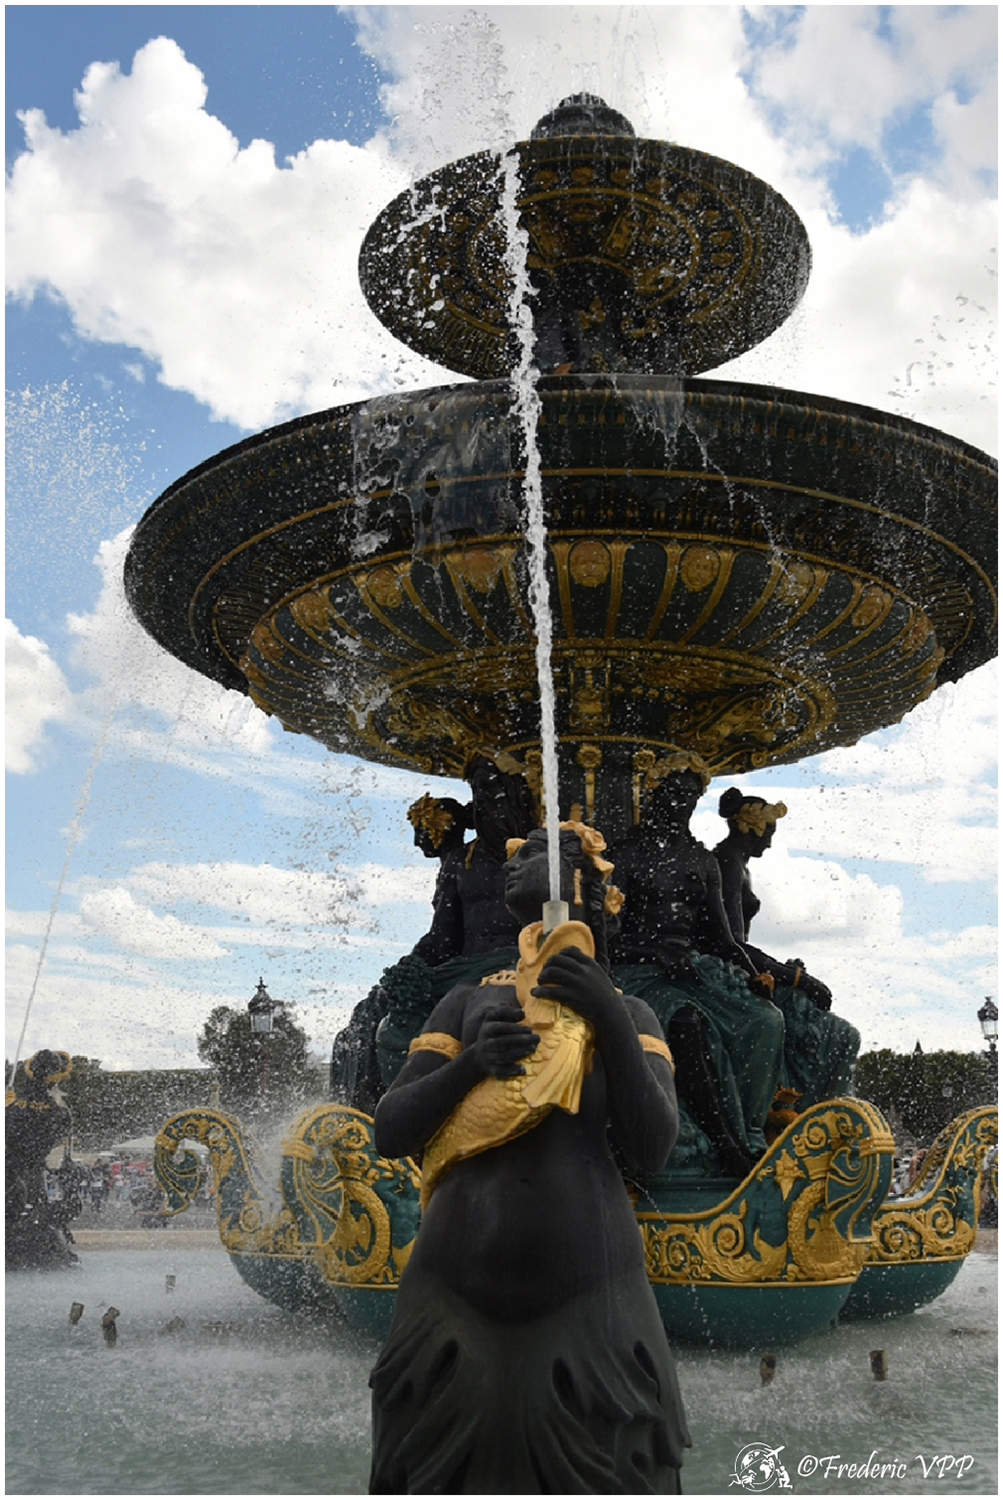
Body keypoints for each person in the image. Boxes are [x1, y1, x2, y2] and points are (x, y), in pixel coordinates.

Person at [369, 822, 690, 1494]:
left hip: (592, 1301)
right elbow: (390, 1131)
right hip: (449, 1296)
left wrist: (608, 1018)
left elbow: (653, 1146)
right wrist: (470, 1067)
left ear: (582, 883)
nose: (514, 857)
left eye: (537, 851)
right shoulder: (465, 1002)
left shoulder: (629, 1012)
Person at [330, 751, 539, 1113]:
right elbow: (442, 938)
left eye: (496, 793)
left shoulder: (546, 853)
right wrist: (409, 967)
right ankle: (365, 1116)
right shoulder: (462, 861)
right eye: (481, 796)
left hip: (528, 960)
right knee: (373, 1011)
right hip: (468, 965)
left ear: (518, 796)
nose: (489, 805)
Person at [609, 749, 785, 1178]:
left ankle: (752, 1132)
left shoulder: (703, 861)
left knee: (766, 1019)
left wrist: (755, 975)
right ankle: (723, 1144)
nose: (681, 804)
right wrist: (655, 953)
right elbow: (605, 938)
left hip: (690, 970)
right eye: (673, 794)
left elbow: (723, 940)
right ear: (653, 794)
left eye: (690, 797)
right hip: (635, 971)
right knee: (685, 1021)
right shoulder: (626, 854)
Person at [712, 788, 859, 1107]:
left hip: (739, 965)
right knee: (839, 1034)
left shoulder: (736, 863)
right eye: (769, 833)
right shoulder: (727, 864)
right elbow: (731, 943)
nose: (769, 843)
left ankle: (805, 1104)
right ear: (751, 828)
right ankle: (812, 1110)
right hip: (727, 971)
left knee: (819, 1020)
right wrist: (796, 978)